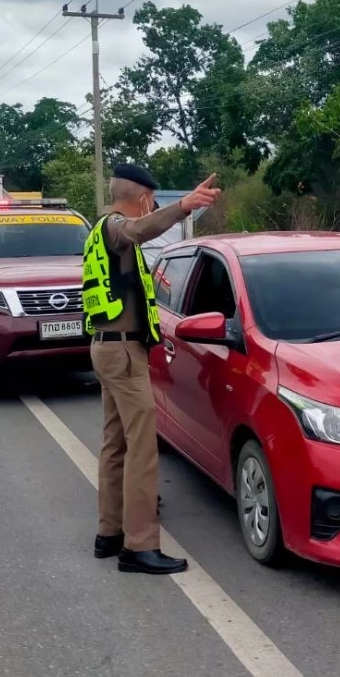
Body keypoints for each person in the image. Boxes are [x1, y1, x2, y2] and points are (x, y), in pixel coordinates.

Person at [82, 163, 220, 574]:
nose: (152, 208)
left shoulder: (98, 232)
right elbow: (136, 232)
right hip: (122, 354)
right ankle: (139, 545)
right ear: (142, 197)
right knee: (142, 450)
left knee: (117, 445)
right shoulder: (116, 228)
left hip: (110, 349)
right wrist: (182, 207)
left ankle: (109, 533)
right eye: (152, 201)